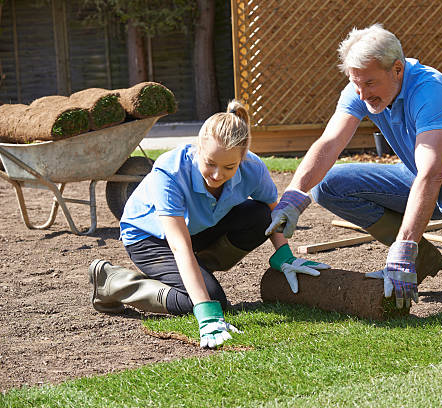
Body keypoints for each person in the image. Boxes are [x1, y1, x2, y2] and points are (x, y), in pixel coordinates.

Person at [266, 24, 442, 309]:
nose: (361, 93)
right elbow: (330, 142)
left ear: (397, 69)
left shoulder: (430, 90)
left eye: (369, 83)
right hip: (418, 176)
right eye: (356, 83)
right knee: (329, 185)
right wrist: (294, 194)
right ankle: (421, 258)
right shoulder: (360, 89)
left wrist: (403, 247)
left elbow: (432, 175)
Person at [89, 100, 329, 348]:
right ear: (198, 150)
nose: (217, 175)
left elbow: (271, 210)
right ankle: (112, 282)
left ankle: (195, 273)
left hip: (196, 229)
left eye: (229, 167)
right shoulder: (170, 171)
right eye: (210, 163)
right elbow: (179, 247)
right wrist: (206, 313)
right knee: (211, 299)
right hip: (149, 238)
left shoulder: (253, 168)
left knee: (260, 217)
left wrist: (285, 256)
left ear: (243, 158)